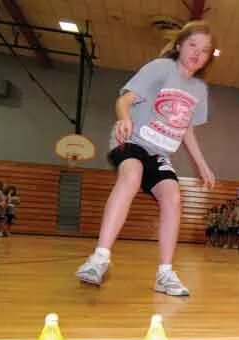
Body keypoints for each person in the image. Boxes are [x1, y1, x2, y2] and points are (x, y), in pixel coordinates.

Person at [75, 20, 216, 297]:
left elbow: (186, 129)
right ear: (179, 45)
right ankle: (99, 258)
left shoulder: (200, 90)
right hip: (131, 141)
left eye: (205, 50)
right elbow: (124, 100)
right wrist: (125, 118)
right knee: (132, 176)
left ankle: (165, 273)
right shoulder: (161, 68)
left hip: (160, 152)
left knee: (173, 196)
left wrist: (202, 165)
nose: (197, 53)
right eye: (192, 45)